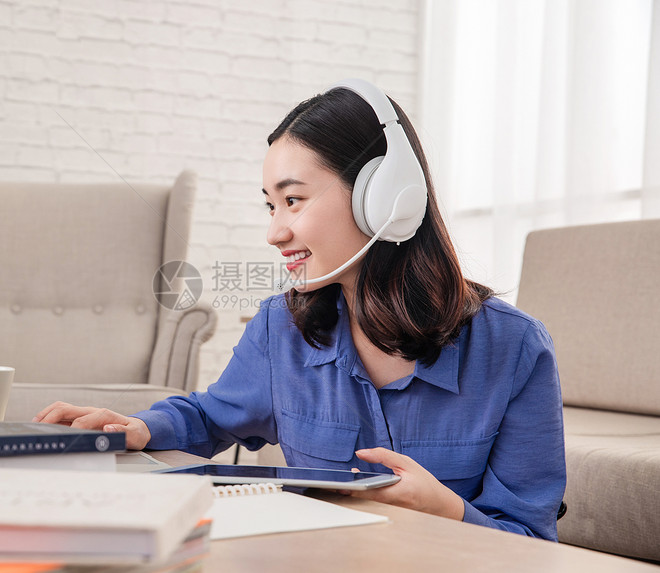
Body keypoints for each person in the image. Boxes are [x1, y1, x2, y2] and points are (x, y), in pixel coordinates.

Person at [34, 80, 566, 541]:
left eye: (293, 201)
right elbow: (209, 415)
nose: (274, 232)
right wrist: (138, 428)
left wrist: (446, 511)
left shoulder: (515, 348)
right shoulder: (279, 328)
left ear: (381, 197)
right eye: (270, 205)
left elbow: (530, 541)